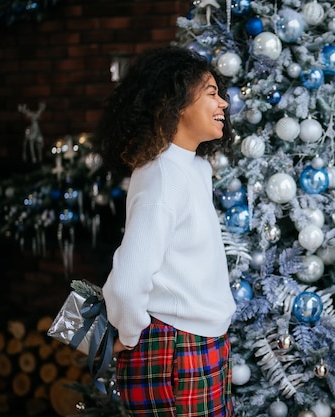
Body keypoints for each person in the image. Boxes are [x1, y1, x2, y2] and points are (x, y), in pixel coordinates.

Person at [93, 45, 237, 417]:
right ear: (175, 103)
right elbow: (127, 281)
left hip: (204, 343)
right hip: (173, 349)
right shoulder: (161, 176)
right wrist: (127, 336)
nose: (223, 103)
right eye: (211, 93)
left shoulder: (195, 169)